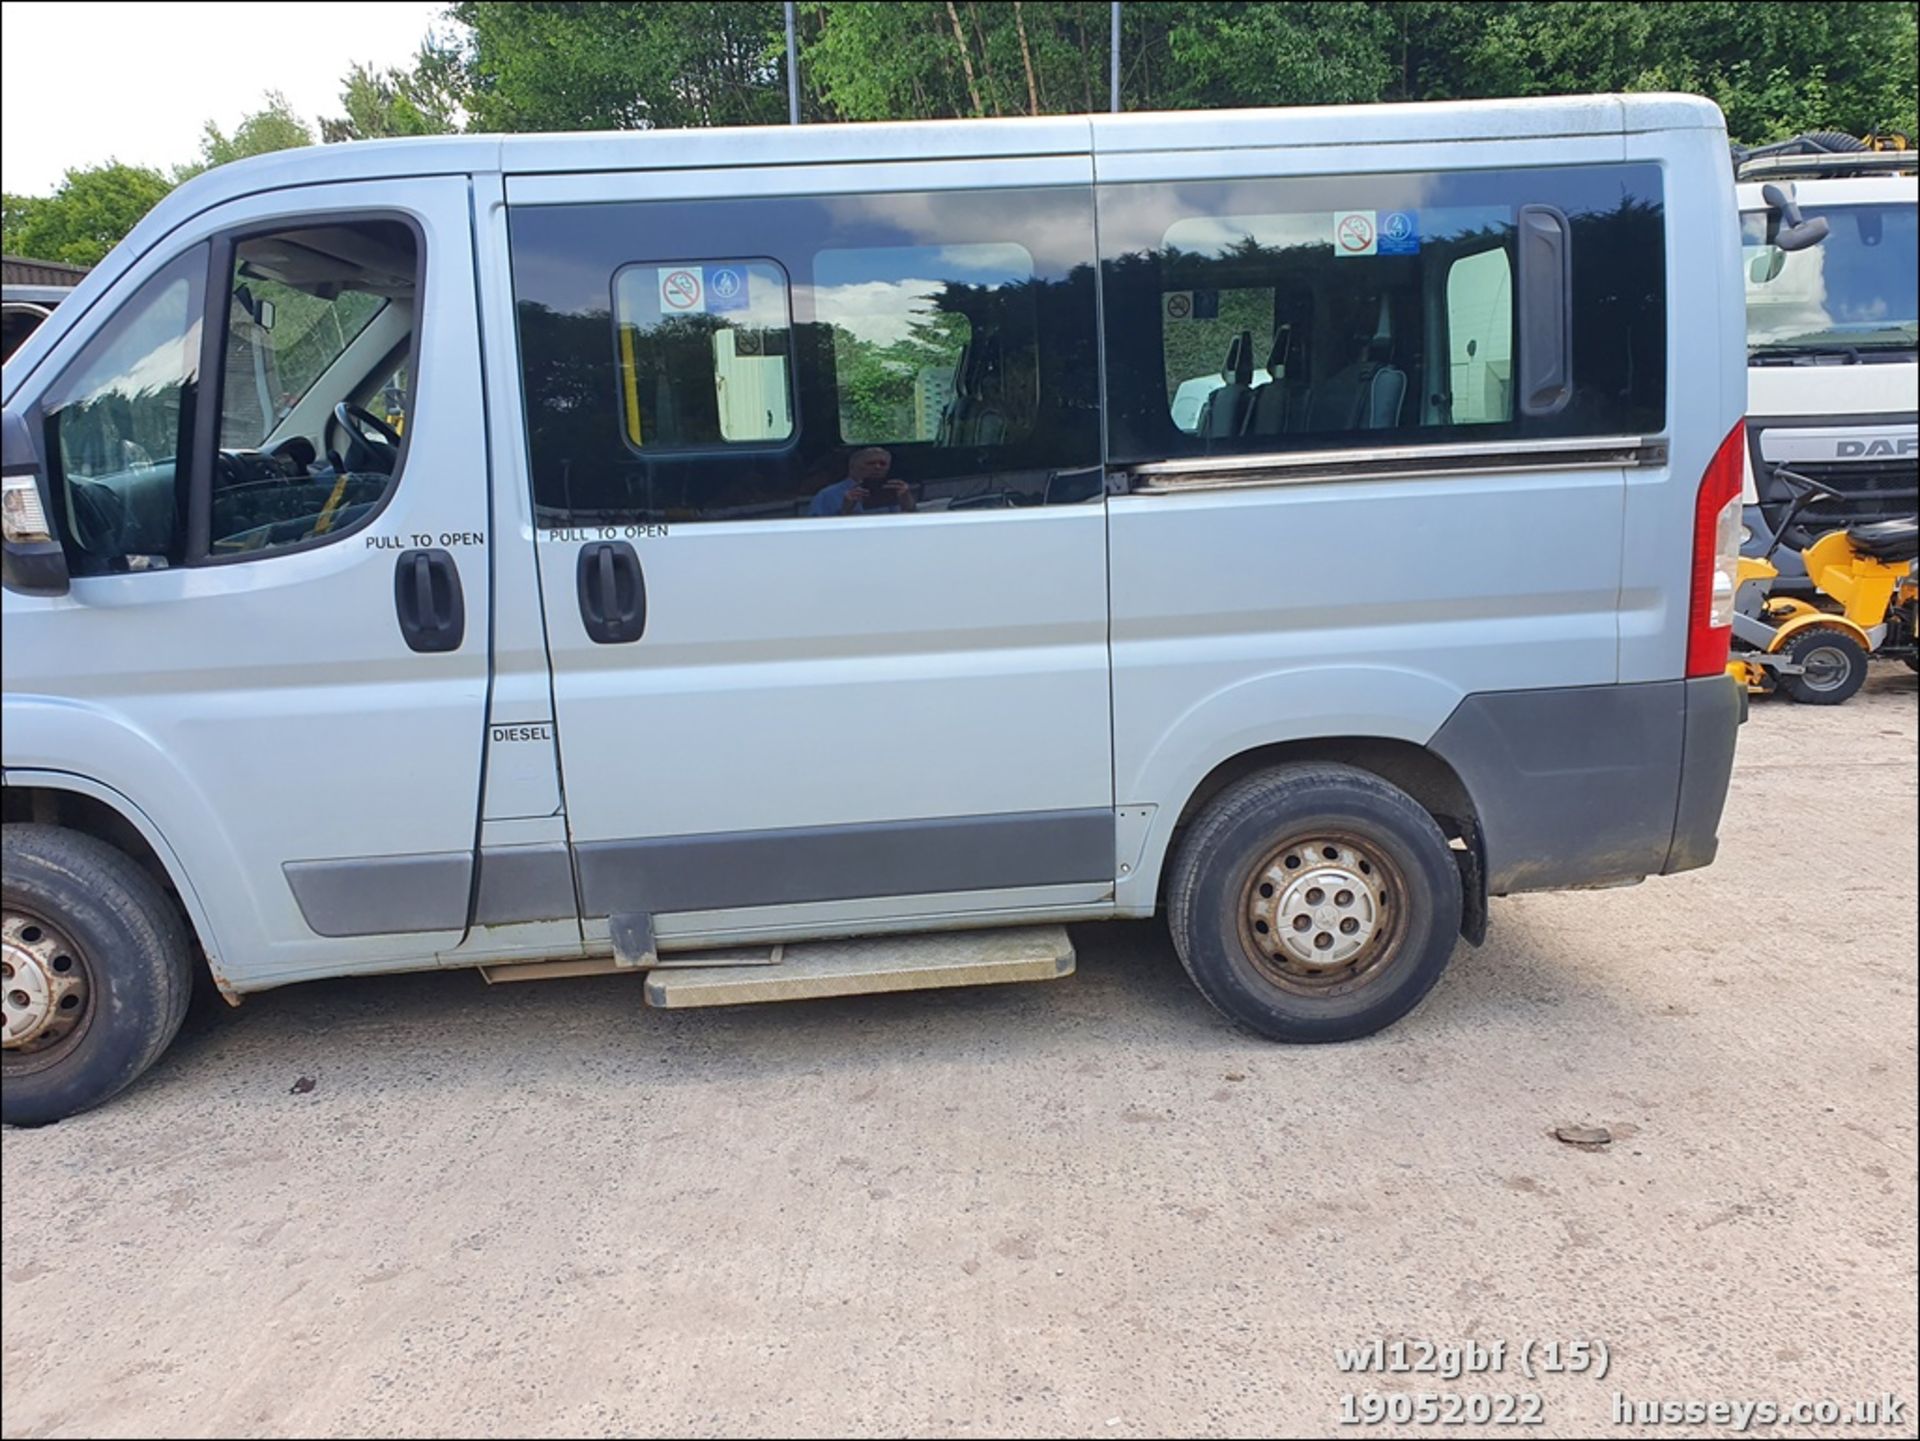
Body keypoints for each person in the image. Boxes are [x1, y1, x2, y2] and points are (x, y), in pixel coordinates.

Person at [808, 446, 916, 516]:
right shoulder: (827, 496)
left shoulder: (897, 491)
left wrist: (908, 504)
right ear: (852, 467)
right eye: (870, 463)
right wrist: (845, 511)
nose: (877, 467)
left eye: (882, 464)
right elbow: (816, 532)